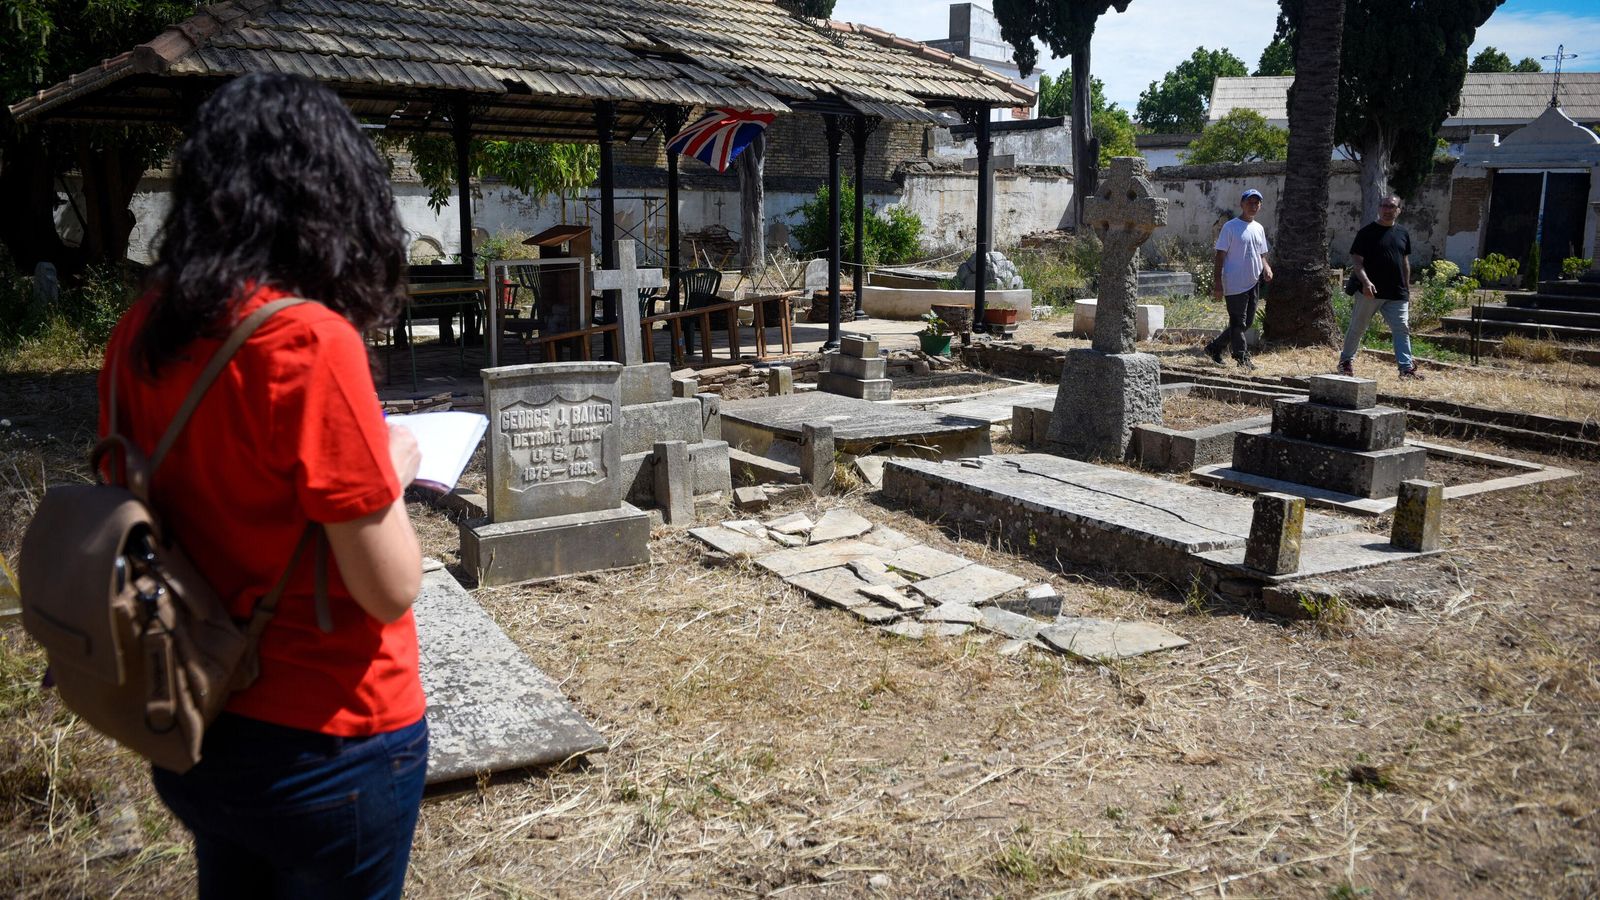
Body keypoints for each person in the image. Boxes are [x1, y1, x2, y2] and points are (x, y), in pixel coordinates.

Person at [97, 72, 427, 897]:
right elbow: (388, 587)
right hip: (328, 742)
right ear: (332, 198)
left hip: (193, 722)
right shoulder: (307, 342)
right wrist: (399, 461)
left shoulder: (136, 333)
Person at [1339, 194, 1424, 379]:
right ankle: (1345, 361)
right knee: (1358, 327)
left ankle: (1406, 369)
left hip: (1397, 291)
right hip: (1370, 291)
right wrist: (1366, 282)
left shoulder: (1403, 233)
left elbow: (1404, 261)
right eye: (1384, 206)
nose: (1387, 210)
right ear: (1379, 208)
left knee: (1402, 328)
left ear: (1398, 210)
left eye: (1392, 207)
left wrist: (1407, 288)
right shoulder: (1366, 233)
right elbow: (1357, 262)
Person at [1205, 188, 1274, 370]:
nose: (1253, 206)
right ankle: (1242, 358)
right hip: (1234, 282)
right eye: (1250, 202)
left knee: (1247, 322)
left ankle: (1215, 347)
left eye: (1256, 203)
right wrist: (1218, 283)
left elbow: (1261, 254)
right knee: (1238, 322)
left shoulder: (1258, 228)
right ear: (1242, 204)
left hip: (1253, 281)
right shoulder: (1231, 227)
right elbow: (1220, 256)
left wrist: (1266, 267)